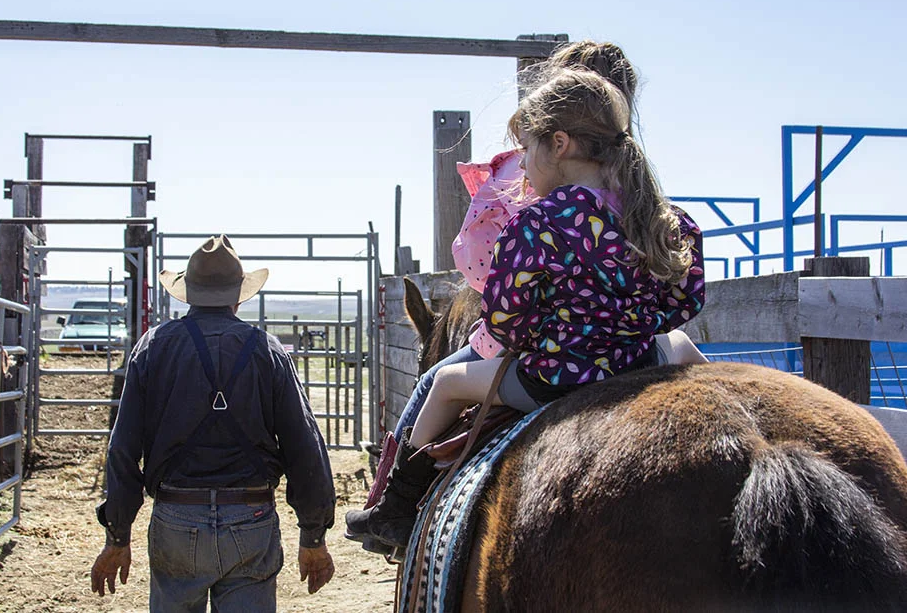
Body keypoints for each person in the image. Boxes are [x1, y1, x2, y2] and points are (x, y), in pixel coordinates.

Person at [347, 66, 706, 549]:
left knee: (447, 383)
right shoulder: (665, 218)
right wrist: (629, 326)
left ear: (558, 145)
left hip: (558, 376)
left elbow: (505, 320)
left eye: (528, 149)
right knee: (682, 347)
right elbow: (685, 303)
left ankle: (395, 510)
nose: (524, 165)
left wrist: (545, 334)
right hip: (639, 363)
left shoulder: (538, 224)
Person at [90, 234, 336, 611]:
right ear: (239, 294)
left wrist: (118, 536)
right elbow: (305, 447)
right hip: (250, 516)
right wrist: (313, 537)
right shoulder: (267, 351)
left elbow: (122, 449)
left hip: (176, 516)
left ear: (187, 292)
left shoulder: (153, 347)